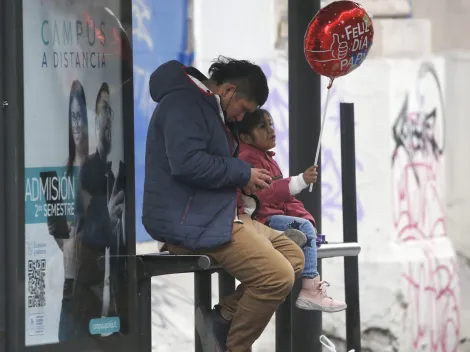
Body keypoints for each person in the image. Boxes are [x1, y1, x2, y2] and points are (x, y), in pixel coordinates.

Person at [143, 57, 305, 352]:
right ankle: (235, 347)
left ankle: (222, 318)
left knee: (294, 258)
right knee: (277, 276)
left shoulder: (208, 107)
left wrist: (240, 179)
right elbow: (187, 163)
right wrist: (242, 172)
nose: (239, 118)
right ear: (229, 91)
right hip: (192, 221)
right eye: (243, 110)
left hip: (220, 214)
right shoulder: (184, 104)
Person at [237, 108, 347, 313]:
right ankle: (310, 289)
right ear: (245, 137)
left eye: (271, 124)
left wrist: (308, 222)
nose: (271, 129)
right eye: (262, 126)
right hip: (260, 221)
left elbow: (286, 201)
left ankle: (288, 239)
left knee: (305, 228)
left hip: (271, 218)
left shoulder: (268, 160)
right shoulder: (247, 159)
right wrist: (299, 181)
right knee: (302, 230)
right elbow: (266, 193)